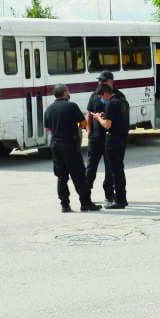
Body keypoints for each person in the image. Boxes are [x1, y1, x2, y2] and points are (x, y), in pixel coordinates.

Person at [44, 84, 101, 212]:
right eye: (68, 91)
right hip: (69, 144)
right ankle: (85, 203)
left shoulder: (49, 109)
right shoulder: (71, 106)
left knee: (61, 176)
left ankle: (65, 204)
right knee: (79, 175)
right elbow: (83, 123)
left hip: (55, 145)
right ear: (65, 93)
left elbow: (47, 129)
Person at [85, 70, 126, 204]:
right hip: (96, 138)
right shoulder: (95, 95)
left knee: (111, 169)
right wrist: (89, 130)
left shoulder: (118, 97)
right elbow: (89, 113)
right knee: (91, 167)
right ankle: (86, 195)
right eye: (99, 81)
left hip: (111, 139)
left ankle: (109, 195)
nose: (100, 83)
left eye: (103, 81)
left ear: (110, 81)